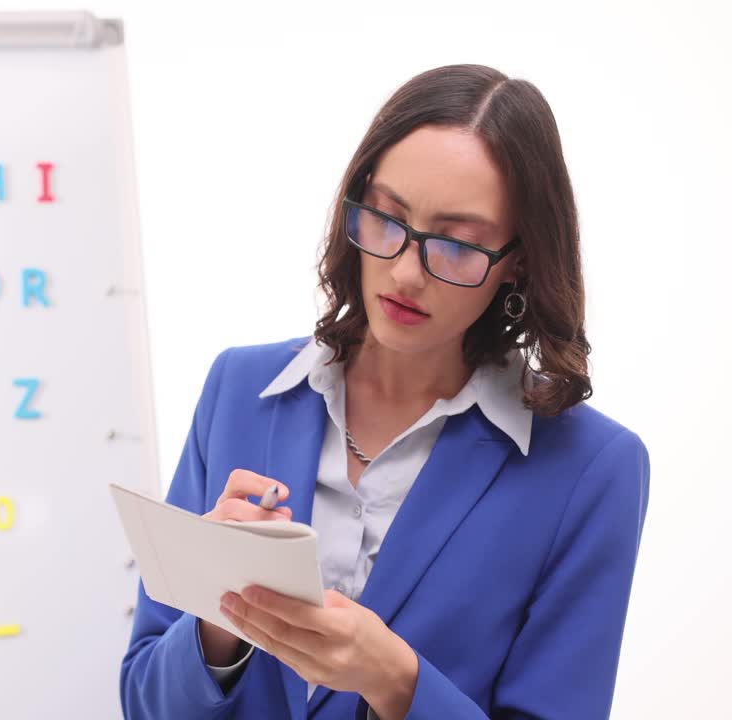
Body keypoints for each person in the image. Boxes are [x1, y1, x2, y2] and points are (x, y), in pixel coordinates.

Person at [119, 63, 650, 720]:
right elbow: (145, 701)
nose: (404, 272)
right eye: (388, 219)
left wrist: (396, 680)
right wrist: (217, 621)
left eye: (457, 245)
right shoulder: (240, 389)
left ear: (518, 259)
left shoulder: (590, 470)